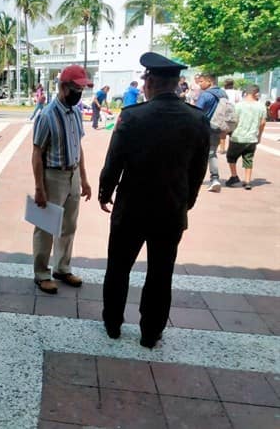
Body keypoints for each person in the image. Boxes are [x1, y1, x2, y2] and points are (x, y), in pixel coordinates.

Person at [99, 52, 210, 348]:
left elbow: (114, 162)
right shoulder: (197, 120)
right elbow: (198, 170)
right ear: (174, 84)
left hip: (131, 209)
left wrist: (104, 192)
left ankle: (112, 323)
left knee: (118, 268)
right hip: (171, 211)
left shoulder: (133, 116)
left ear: (149, 82)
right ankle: (151, 332)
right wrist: (188, 201)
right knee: (161, 273)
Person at [32, 65, 92, 294]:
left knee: (69, 225)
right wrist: (39, 188)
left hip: (73, 173)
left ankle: (62, 268)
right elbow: (37, 153)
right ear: (64, 87)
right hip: (53, 175)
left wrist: (84, 179)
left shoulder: (76, 112)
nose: (80, 93)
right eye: (76, 88)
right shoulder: (46, 115)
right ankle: (41, 273)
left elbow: (79, 147)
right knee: (46, 226)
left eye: (82, 88)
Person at [225, 85, 267, 190]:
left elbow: (235, 121)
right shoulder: (261, 106)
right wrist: (259, 135)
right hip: (252, 138)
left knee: (231, 157)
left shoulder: (238, 105)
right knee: (248, 159)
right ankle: (247, 181)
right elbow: (262, 123)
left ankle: (234, 176)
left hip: (238, 137)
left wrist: (229, 131)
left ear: (245, 93)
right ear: (256, 93)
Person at [197, 72, 228, 192]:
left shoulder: (205, 95)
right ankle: (215, 178)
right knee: (212, 153)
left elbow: (197, 111)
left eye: (201, 81)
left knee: (197, 153)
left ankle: (193, 177)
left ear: (209, 81)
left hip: (203, 128)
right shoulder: (223, 94)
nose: (199, 84)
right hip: (217, 128)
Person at [219, 79, 242, 154]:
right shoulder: (236, 92)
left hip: (224, 113)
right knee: (233, 132)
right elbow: (239, 102)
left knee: (223, 131)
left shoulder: (222, 92)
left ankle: (222, 149)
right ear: (233, 84)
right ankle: (230, 149)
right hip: (233, 113)